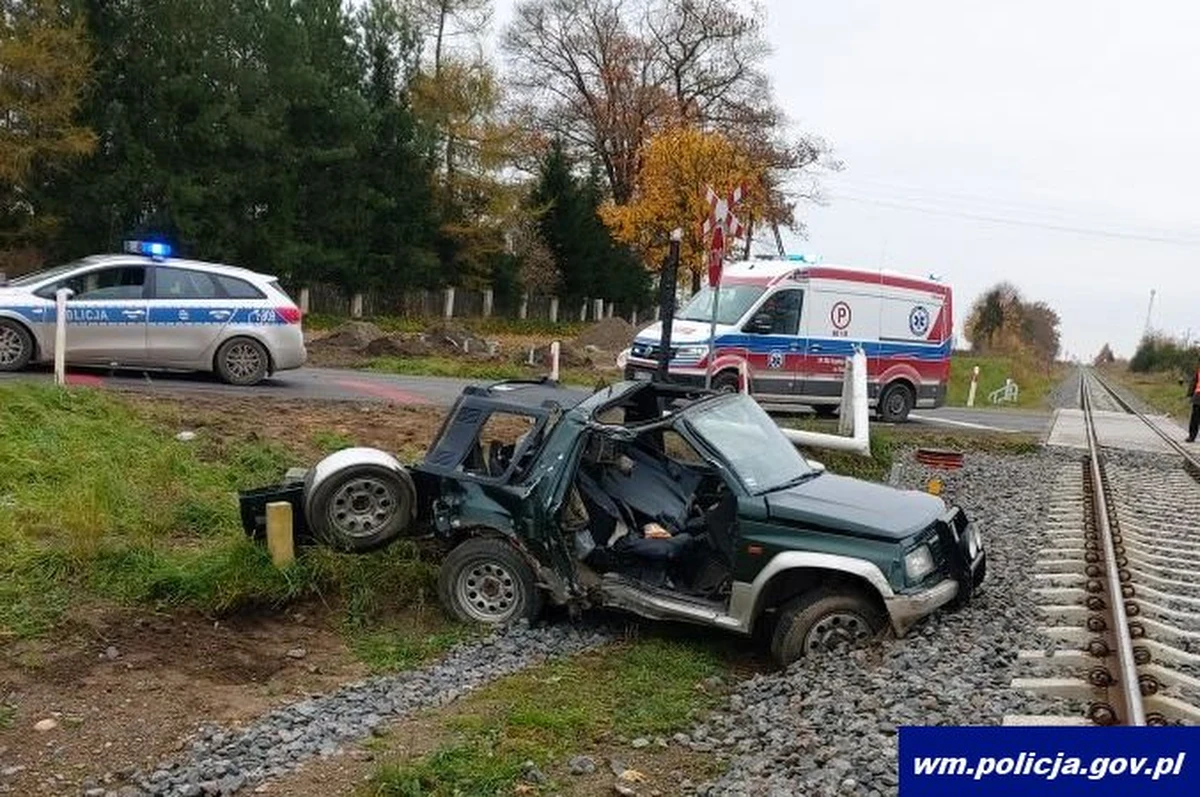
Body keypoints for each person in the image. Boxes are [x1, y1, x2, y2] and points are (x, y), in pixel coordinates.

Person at [1187, 365, 1200, 442]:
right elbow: (1194, 381)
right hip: (1198, 396)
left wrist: (1190, 394)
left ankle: (1192, 436)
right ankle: (1192, 436)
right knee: (1195, 418)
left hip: (1198, 396)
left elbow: (1194, 382)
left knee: (1195, 418)